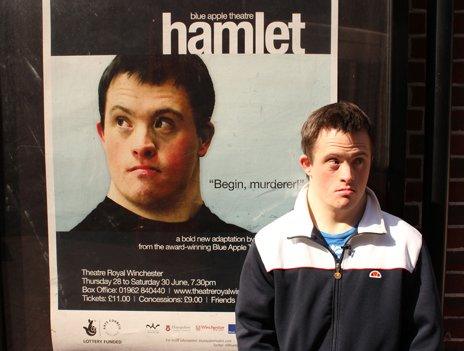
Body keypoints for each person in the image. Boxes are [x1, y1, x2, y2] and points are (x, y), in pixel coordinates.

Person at [235, 101, 443, 350]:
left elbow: (425, 339)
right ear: (307, 164)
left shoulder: (405, 243)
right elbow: (254, 335)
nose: (348, 174)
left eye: (358, 160)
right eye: (334, 161)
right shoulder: (272, 244)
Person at [71, 54, 246, 235]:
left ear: (203, 138)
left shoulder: (250, 251)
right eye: (122, 121)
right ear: (103, 135)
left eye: (164, 123)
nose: (141, 145)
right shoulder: (70, 251)